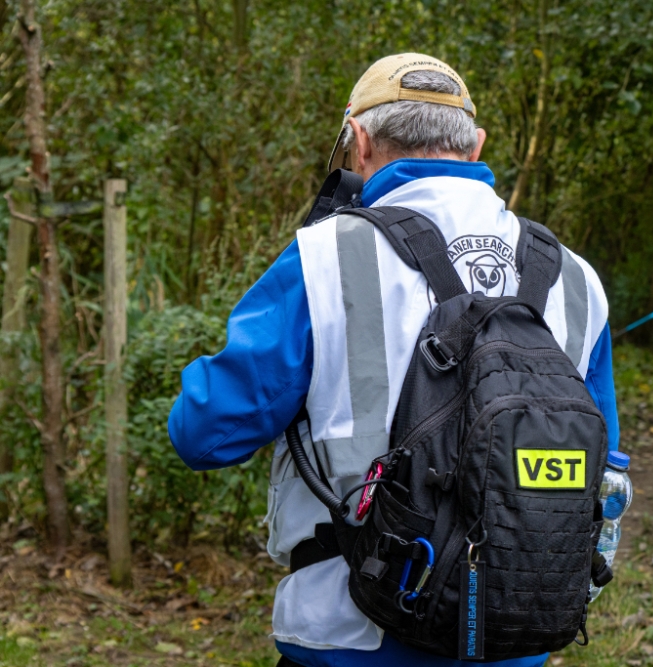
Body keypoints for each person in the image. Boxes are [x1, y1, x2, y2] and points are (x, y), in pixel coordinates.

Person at [167, 53, 620, 667]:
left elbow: (204, 433)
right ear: (477, 144)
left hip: (350, 633)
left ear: (358, 141)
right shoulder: (574, 275)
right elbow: (604, 464)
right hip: (512, 636)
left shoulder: (324, 257)